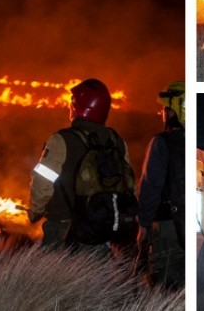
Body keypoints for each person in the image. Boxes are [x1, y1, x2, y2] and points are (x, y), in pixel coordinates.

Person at [29, 78, 136, 253]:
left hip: (63, 230)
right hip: (102, 231)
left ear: (78, 107)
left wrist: (35, 211)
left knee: (55, 271)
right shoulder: (117, 141)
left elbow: (42, 183)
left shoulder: (61, 140)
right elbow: (129, 185)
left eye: (73, 102)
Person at [136, 81, 185, 289]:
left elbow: (150, 187)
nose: (162, 113)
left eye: (164, 109)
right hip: (189, 226)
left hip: (167, 226)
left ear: (174, 111)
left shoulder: (161, 142)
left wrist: (143, 225)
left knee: (166, 284)